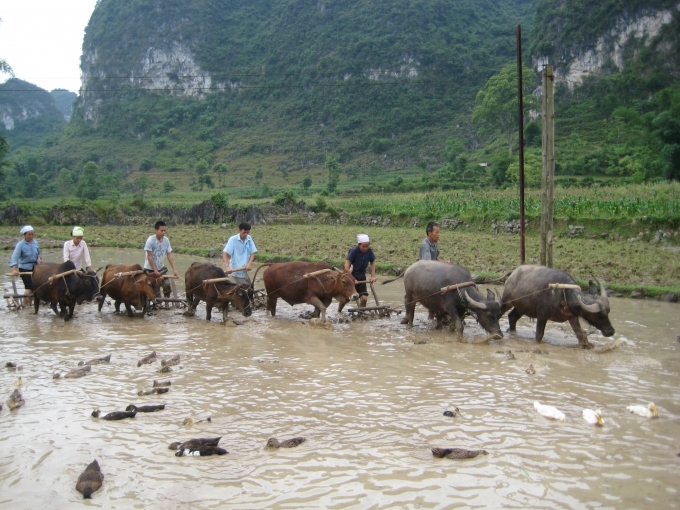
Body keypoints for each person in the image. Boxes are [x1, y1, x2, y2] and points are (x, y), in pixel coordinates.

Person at [143, 220, 179, 298]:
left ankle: (166, 301)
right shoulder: (150, 240)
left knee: (167, 285)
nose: (163, 233)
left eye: (164, 231)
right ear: (156, 230)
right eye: (161, 231)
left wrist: (174, 270)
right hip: (150, 269)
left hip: (160, 268)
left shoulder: (166, 240)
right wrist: (156, 272)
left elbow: (169, 255)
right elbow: (150, 258)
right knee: (151, 287)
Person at [9, 225, 42, 303]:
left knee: (36, 286)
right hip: (24, 267)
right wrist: (14, 269)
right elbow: (15, 257)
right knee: (29, 286)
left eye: (32, 234)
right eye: (29, 235)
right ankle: (25, 304)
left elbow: (39, 253)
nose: (31, 236)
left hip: (35, 267)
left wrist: (39, 258)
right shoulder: (20, 244)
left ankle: (32, 303)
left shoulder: (35, 243)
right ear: (24, 235)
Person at [343, 233, 376, 309]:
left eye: (367, 246)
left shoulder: (369, 251)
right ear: (359, 245)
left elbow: (373, 262)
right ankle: (339, 311)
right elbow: (347, 264)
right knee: (346, 299)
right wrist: (350, 278)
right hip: (352, 275)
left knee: (364, 298)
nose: (365, 248)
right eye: (363, 246)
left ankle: (362, 313)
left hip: (361, 275)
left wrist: (373, 276)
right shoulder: (354, 251)